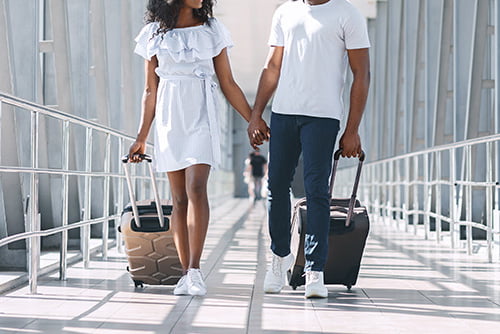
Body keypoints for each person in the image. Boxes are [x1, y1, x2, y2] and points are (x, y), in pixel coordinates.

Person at [128, 0, 258, 296]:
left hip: (202, 112)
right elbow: (150, 90)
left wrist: (252, 119)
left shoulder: (212, 30)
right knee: (178, 199)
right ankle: (185, 273)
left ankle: (196, 271)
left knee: (196, 187)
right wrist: (141, 137)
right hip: (170, 115)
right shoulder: (153, 34)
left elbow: (228, 82)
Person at [248, 0, 371, 298]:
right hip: (284, 113)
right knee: (276, 185)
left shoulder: (347, 13)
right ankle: (279, 258)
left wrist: (352, 129)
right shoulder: (284, 12)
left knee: (317, 190)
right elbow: (273, 66)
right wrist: (256, 114)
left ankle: (314, 269)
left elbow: (361, 74)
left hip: (323, 116)